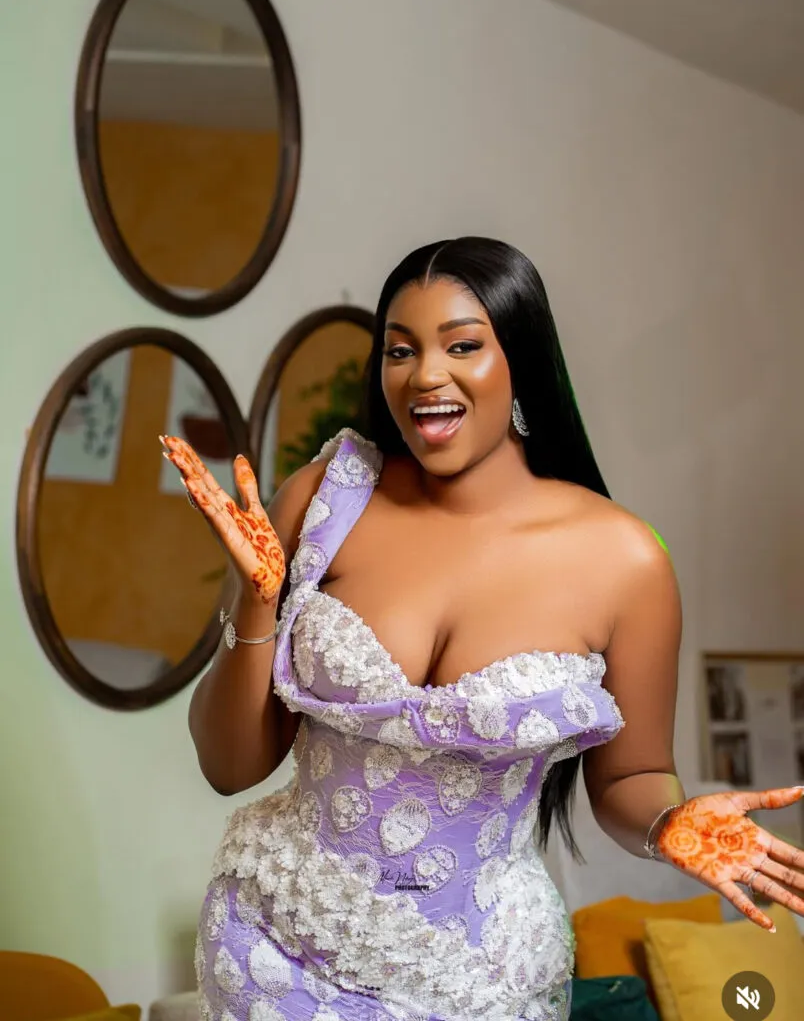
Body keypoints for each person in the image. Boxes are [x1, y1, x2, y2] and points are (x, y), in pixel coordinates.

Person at [161, 237, 804, 1021]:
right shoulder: (325, 500)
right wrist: (256, 604)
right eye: (401, 350)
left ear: (520, 361)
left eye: (462, 345)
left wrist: (670, 822)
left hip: (480, 979)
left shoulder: (625, 560)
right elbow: (228, 766)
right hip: (278, 945)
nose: (426, 375)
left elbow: (629, 777)